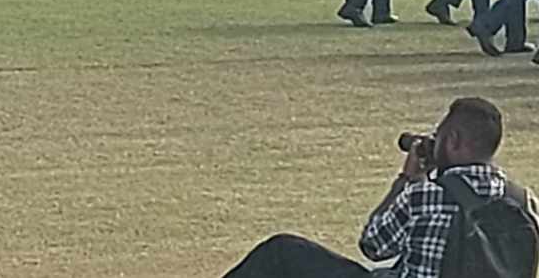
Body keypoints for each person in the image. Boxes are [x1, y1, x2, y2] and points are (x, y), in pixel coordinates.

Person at [216, 97, 517, 278]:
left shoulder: (426, 195)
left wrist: (407, 180)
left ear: (452, 141)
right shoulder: (521, 200)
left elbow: (374, 245)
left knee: (282, 251)